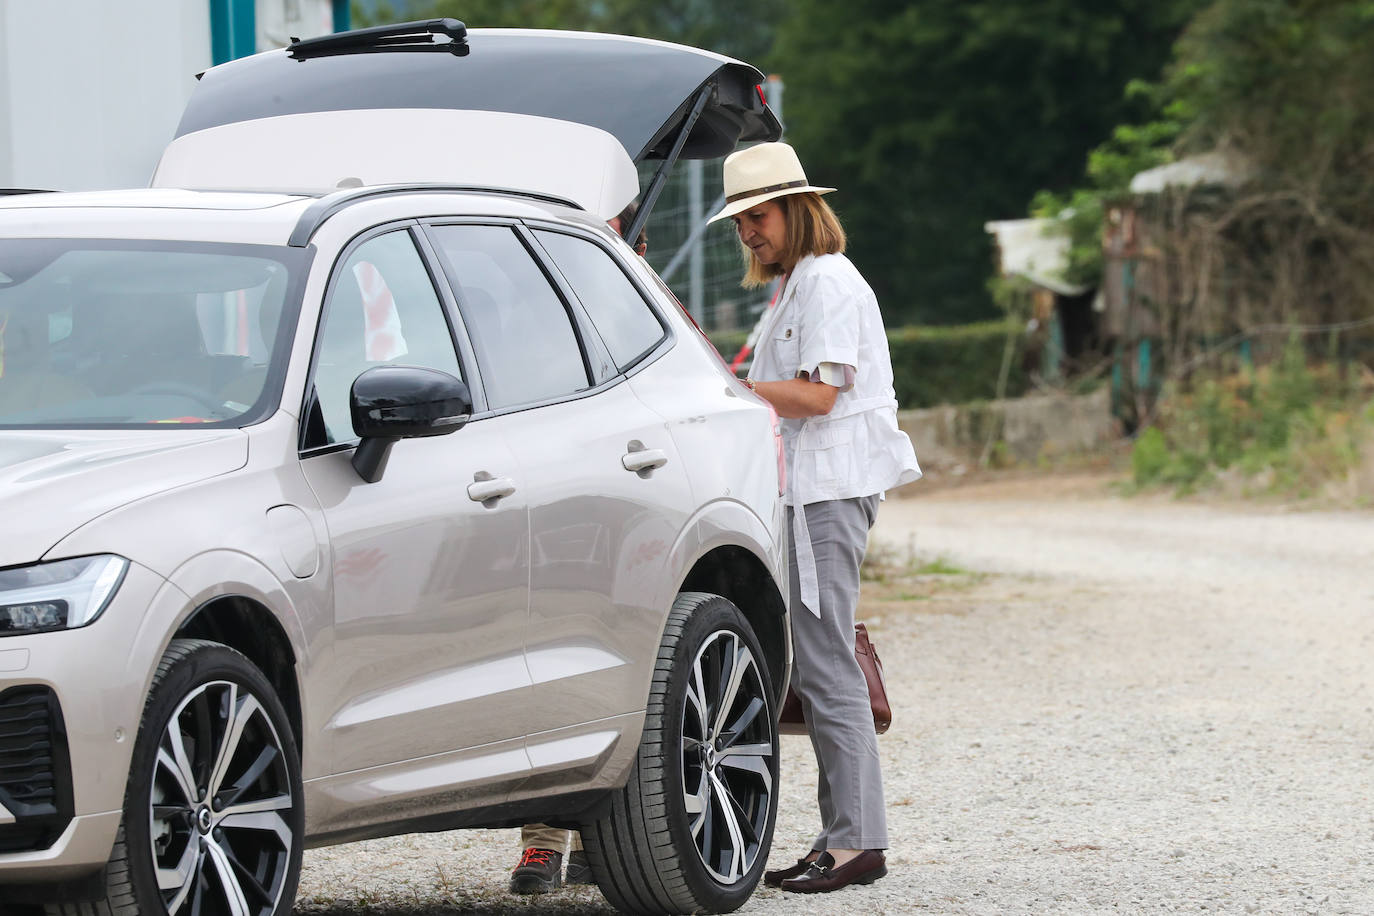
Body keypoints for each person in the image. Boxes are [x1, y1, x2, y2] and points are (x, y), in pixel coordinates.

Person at [708, 141, 920, 894]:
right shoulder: (800, 283)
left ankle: (859, 841)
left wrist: (726, 389)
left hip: (830, 490)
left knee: (828, 664)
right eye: (739, 223)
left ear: (797, 210)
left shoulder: (828, 280)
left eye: (757, 217)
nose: (748, 234)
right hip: (811, 491)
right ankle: (842, 837)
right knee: (821, 661)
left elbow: (819, 397)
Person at [507, 199, 649, 896]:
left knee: (617, 672)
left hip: (619, 510)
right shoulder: (533, 300)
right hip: (548, 506)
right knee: (551, 667)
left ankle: (602, 838)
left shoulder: (627, 302)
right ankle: (546, 841)